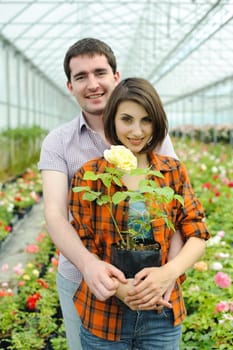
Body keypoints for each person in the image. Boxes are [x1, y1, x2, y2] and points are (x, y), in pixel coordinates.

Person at [38, 38, 181, 350]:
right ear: (69, 85)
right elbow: (54, 213)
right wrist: (88, 265)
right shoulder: (59, 142)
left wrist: (169, 273)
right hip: (85, 282)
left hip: (149, 282)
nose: (93, 84)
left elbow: (176, 213)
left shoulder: (150, 135)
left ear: (116, 78)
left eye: (100, 72)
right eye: (81, 76)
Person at [69, 77, 210, 349]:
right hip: (104, 313)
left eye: (146, 120)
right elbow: (83, 243)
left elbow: (197, 233)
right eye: (127, 119)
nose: (137, 130)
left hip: (162, 312)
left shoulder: (171, 171)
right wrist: (121, 289)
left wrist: (169, 272)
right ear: (113, 121)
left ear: (157, 122)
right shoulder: (91, 175)